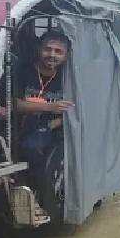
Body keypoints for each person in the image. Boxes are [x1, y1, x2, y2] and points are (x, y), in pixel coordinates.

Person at [12, 30, 73, 196]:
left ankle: (40, 197)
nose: (52, 55)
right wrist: (50, 107)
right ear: (39, 49)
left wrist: (51, 124)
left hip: (55, 128)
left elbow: (75, 110)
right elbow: (13, 104)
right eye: (48, 49)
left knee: (32, 148)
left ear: (66, 56)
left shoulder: (69, 77)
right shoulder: (22, 71)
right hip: (21, 125)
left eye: (58, 51)